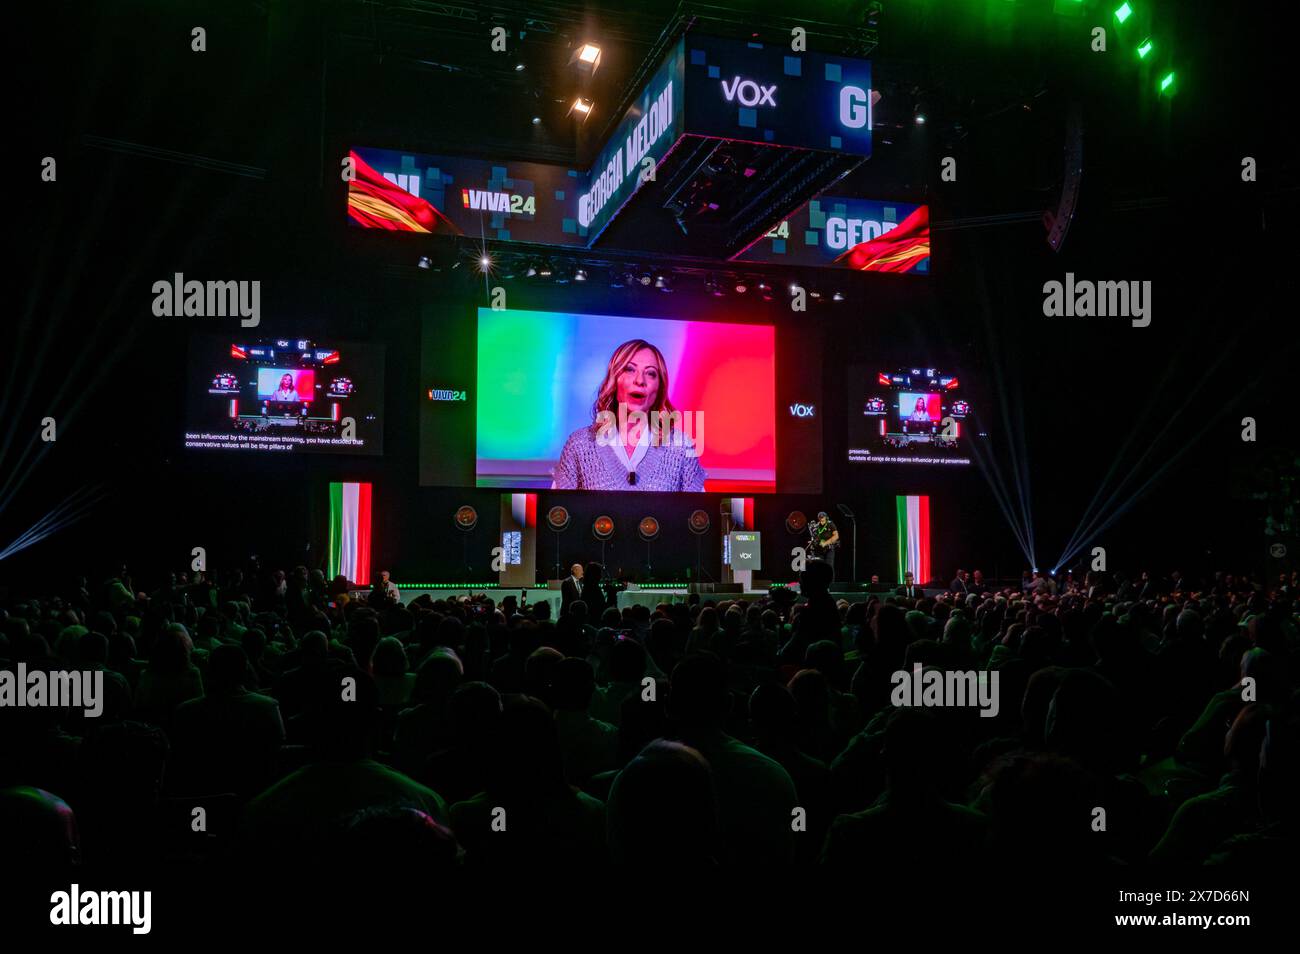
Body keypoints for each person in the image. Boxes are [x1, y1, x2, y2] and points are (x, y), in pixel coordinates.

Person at [552, 339, 706, 491]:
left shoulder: (681, 447)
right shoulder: (579, 445)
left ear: (660, 387)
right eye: (630, 369)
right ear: (614, 379)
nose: (640, 380)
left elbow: (698, 514)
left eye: (651, 373)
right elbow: (557, 512)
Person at [808, 512, 840, 580]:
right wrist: (813, 542)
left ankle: (830, 585)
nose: (821, 520)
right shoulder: (816, 526)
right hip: (819, 550)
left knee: (829, 567)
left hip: (829, 549)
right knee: (819, 567)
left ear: (826, 518)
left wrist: (826, 543)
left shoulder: (830, 524)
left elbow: (836, 536)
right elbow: (815, 537)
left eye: (823, 518)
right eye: (820, 519)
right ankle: (820, 584)